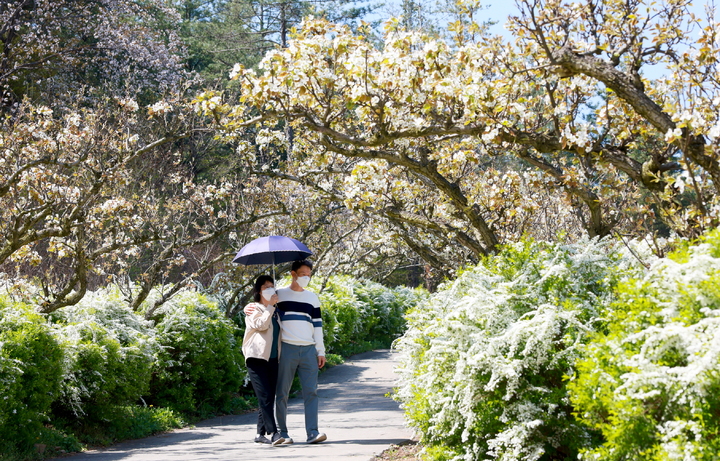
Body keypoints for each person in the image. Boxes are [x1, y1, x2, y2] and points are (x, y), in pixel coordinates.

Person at [245, 260, 327, 444]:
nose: (306, 277)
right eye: (303, 273)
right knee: (282, 393)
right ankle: (282, 433)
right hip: (287, 349)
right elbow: (262, 304)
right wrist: (247, 307)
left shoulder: (313, 298)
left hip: (308, 350)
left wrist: (320, 351)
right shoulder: (279, 294)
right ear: (293, 274)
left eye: (309, 274)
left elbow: (318, 327)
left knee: (311, 392)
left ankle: (312, 432)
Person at [241, 275, 285, 446]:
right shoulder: (254, 309)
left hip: (273, 359)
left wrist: (272, 308)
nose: (270, 289)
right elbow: (261, 325)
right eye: (266, 286)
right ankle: (274, 432)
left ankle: (260, 433)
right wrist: (270, 307)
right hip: (257, 358)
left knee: (268, 397)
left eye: (272, 286)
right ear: (259, 290)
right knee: (265, 396)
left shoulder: (274, 311)